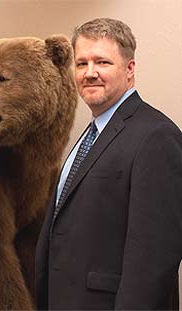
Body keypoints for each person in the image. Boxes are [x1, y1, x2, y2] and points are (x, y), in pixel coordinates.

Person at [35, 17, 182, 310]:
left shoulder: (156, 136)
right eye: (81, 64)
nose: (90, 73)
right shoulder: (88, 136)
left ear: (130, 69)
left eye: (102, 62)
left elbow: (152, 261)